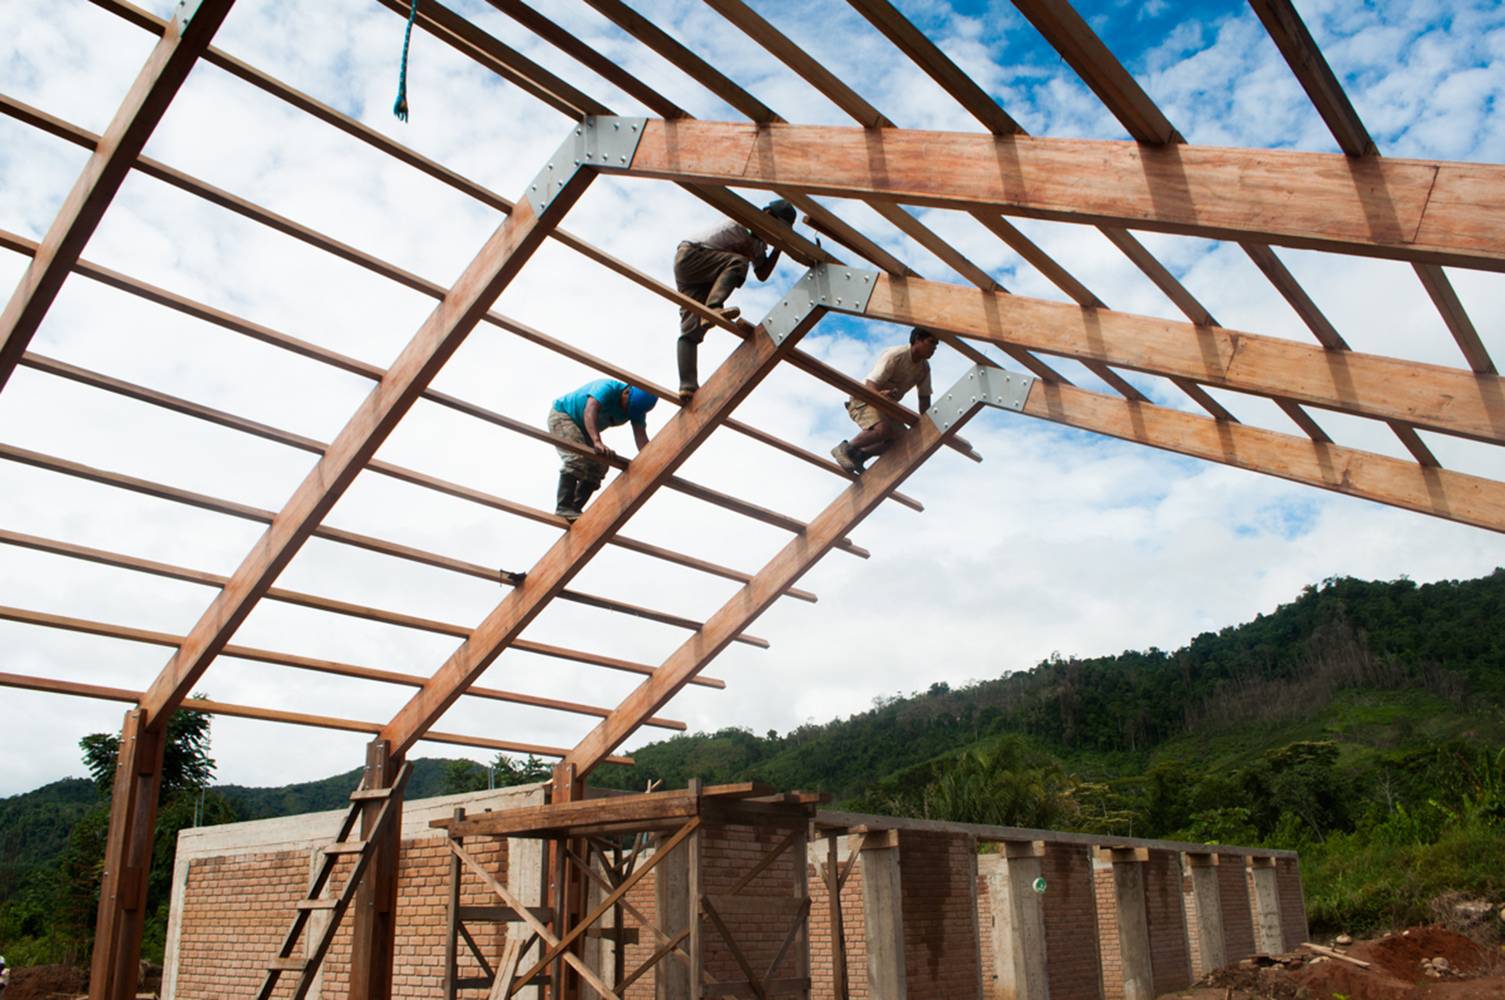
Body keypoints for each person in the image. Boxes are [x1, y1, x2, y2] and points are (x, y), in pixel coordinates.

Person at [673, 199, 797, 400]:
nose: (772, 232)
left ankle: (687, 386)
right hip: (692, 256)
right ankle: (713, 307)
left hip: (705, 277)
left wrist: (778, 247)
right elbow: (752, 227)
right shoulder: (744, 220)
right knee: (738, 262)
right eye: (775, 225)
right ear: (766, 213)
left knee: (691, 328)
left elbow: (762, 274)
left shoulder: (759, 246)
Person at [831, 328, 939, 475]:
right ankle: (845, 449)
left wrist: (930, 424)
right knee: (884, 429)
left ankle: (860, 455)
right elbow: (871, 383)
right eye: (931, 342)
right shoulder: (897, 355)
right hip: (864, 397)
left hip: (887, 406)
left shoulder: (924, 367)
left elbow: (924, 399)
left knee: (904, 439)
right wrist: (879, 395)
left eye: (936, 345)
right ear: (918, 339)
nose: (934, 348)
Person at [547, 379, 657, 521]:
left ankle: (574, 508)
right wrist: (597, 442)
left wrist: (652, 460)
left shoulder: (635, 408)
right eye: (627, 407)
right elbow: (589, 411)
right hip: (565, 416)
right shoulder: (607, 388)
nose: (627, 412)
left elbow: (641, 436)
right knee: (576, 458)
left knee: (599, 466)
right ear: (626, 392)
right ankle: (564, 507)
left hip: (585, 430)